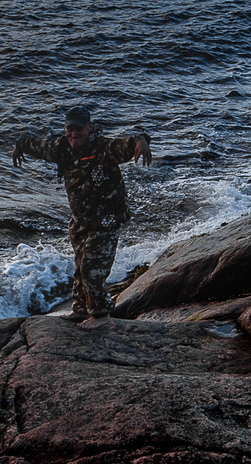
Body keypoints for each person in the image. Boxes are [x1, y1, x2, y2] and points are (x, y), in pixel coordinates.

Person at [10, 105, 152, 323]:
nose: (74, 134)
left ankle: (101, 314)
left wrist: (141, 140)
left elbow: (126, 143)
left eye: (79, 129)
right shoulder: (61, 147)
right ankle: (80, 309)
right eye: (70, 129)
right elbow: (37, 146)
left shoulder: (103, 147)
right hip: (81, 220)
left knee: (91, 268)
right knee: (80, 266)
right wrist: (20, 144)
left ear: (89, 127)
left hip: (106, 220)